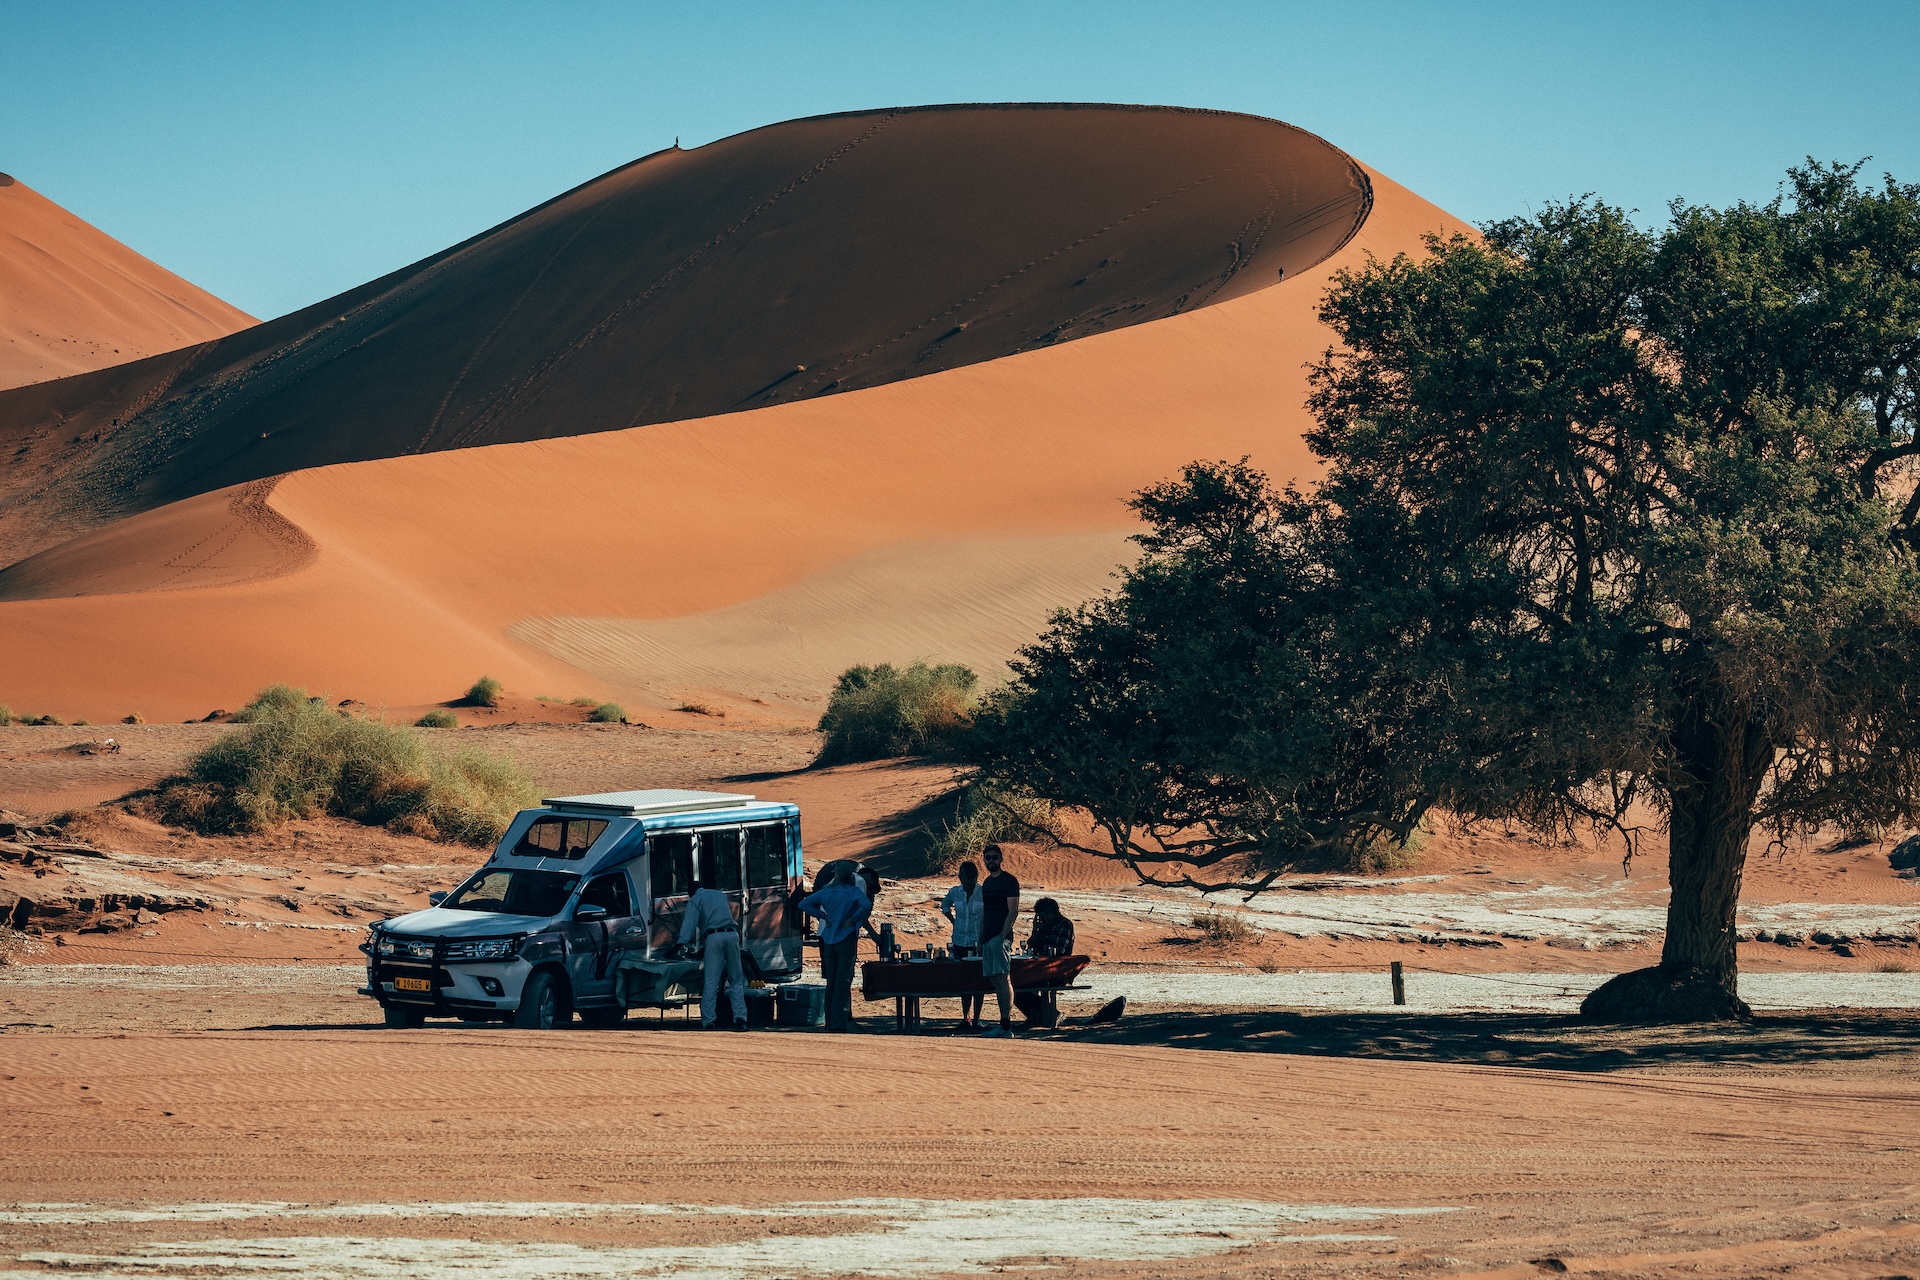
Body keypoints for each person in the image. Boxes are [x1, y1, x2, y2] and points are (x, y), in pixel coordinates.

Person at [677, 850, 747, 1032]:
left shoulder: (695, 900)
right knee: (736, 979)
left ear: (690, 892)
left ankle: (708, 1021)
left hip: (714, 937)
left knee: (711, 981)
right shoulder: (718, 894)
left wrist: (680, 943)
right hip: (732, 934)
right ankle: (740, 1018)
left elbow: (689, 924)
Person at [799, 863, 871, 1032]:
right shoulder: (853, 892)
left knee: (831, 981)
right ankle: (839, 1023)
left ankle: (829, 1021)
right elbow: (866, 905)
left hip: (829, 939)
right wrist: (853, 919)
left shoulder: (826, 892)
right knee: (843, 981)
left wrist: (823, 916)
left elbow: (803, 905)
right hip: (846, 938)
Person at [977, 844, 1020, 1038]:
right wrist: (981, 937)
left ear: (1001, 859)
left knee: (1003, 978)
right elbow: (985, 913)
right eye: (988, 858)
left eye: (994, 857)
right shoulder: (986, 883)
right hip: (987, 937)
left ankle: (1006, 1024)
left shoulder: (1009, 881)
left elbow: (1013, 911)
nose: (991, 861)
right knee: (995, 979)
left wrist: (1002, 937)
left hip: (1000, 938)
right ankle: (1003, 1024)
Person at [1014, 898, 1075, 1029]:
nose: (1041, 919)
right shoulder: (1042, 926)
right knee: (1016, 986)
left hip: (1057, 970)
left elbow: (1059, 950)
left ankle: (1052, 1014)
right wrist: (1035, 930)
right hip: (1038, 969)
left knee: (1026, 986)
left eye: (1042, 915)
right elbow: (1032, 946)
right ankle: (1036, 1016)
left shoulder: (1065, 924)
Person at [940, 860, 985, 1028]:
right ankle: (965, 1017)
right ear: (960, 877)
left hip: (977, 941)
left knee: (979, 980)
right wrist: (954, 921)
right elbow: (944, 906)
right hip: (959, 941)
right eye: (965, 878)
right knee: (965, 980)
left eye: (971, 878)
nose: (968, 881)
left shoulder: (982, 892)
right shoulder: (954, 892)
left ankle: (977, 1018)